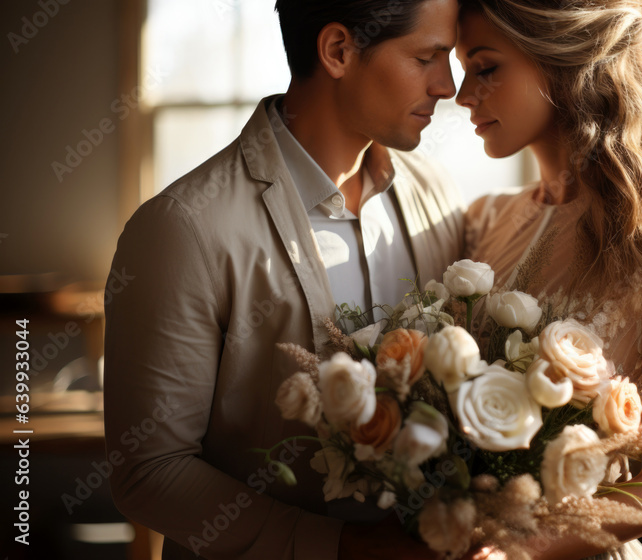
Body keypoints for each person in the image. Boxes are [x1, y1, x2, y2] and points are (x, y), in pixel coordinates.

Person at [103, 1, 467, 558]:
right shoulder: (184, 228)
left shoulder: (435, 196)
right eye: (427, 57)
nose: (447, 85)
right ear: (339, 51)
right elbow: (149, 471)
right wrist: (342, 547)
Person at [456, 0, 642, 558]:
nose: (463, 95)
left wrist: (525, 551)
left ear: (563, 61)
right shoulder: (484, 221)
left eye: (485, 68)